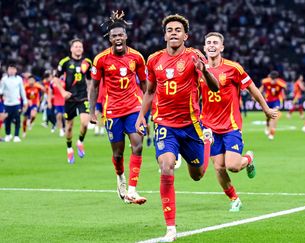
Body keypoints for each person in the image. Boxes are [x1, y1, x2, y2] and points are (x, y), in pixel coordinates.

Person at [134, 14, 219, 242]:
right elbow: (150, 91)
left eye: (178, 30)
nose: (173, 32)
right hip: (165, 124)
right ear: (164, 35)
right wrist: (142, 116)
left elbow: (215, 87)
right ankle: (170, 228)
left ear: (185, 36)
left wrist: (206, 70)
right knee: (166, 165)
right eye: (170, 29)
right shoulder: (154, 60)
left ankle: (207, 141)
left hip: (191, 126)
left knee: (198, 175)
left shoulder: (194, 57)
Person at [200, 32, 278, 212]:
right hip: (209, 127)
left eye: (215, 43)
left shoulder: (233, 68)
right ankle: (234, 199)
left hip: (230, 125)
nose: (211, 45)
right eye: (208, 42)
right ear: (204, 48)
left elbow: (252, 88)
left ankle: (248, 158)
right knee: (219, 167)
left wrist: (266, 109)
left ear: (221, 48)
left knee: (233, 166)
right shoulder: (199, 70)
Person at [89, 10, 147, 205]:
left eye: (121, 34)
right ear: (110, 39)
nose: (118, 38)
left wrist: (148, 109)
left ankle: (132, 189)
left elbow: (146, 84)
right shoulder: (101, 59)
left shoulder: (137, 57)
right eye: (114, 36)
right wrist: (91, 112)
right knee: (118, 153)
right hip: (113, 110)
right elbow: (94, 86)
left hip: (134, 107)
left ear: (126, 36)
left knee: (137, 145)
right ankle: (120, 177)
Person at [53, 38, 92, 164]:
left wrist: (91, 94)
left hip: (83, 97)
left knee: (85, 123)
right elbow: (56, 79)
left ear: (83, 49)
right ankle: (69, 148)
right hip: (70, 98)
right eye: (76, 46)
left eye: (80, 46)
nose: (78, 48)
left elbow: (90, 80)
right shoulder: (65, 62)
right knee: (69, 127)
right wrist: (63, 92)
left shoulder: (87, 62)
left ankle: (80, 141)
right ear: (71, 49)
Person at [0, 63, 28, 142]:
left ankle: (16, 135)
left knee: (17, 119)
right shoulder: (4, 79)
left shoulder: (19, 79)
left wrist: (25, 100)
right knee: (7, 120)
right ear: (7, 70)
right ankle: (8, 134)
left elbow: (22, 90)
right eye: (9, 69)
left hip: (16, 103)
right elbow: (1, 90)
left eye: (13, 69)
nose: (11, 71)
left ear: (15, 70)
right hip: (7, 103)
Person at [260, 71, 286, 140]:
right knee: (268, 117)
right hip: (268, 101)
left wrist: (283, 95)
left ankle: (271, 133)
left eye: (274, 80)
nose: (272, 81)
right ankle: (267, 125)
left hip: (276, 101)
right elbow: (262, 87)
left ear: (277, 79)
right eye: (271, 79)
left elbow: (284, 87)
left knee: (274, 116)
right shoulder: (265, 82)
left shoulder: (280, 83)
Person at [47, 71, 66, 137]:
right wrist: (49, 102)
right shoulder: (52, 83)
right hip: (57, 102)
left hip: (65, 101)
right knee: (59, 116)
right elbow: (50, 93)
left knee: (65, 116)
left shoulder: (64, 80)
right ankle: (61, 130)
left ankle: (65, 128)